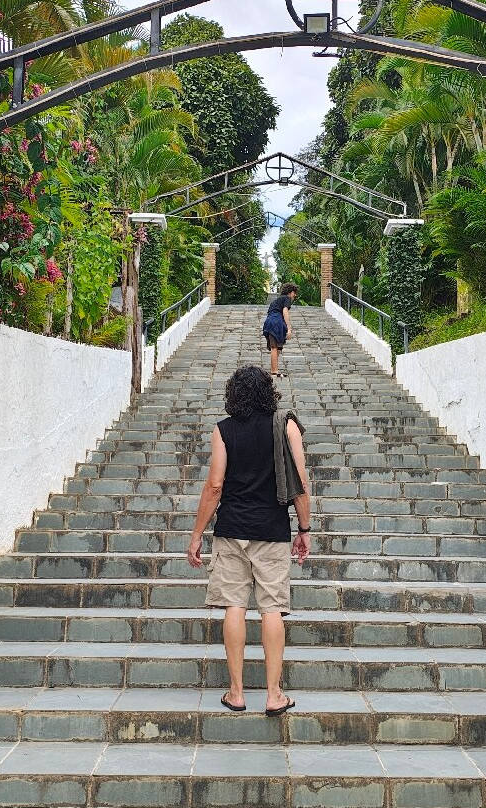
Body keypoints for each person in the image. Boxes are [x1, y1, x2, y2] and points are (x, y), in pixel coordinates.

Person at [187, 365, 311, 716]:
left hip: (231, 530)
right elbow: (300, 483)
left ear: (234, 395)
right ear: (267, 393)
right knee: (272, 609)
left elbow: (214, 486)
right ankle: (274, 695)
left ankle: (236, 692)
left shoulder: (223, 430)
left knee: (234, 607)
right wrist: (304, 530)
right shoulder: (286, 425)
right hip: (272, 531)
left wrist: (197, 534)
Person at [262, 283, 299, 378]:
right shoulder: (287, 298)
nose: (295, 295)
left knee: (276, 347)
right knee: (275, 347)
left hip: (269, 323)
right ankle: (274, 372)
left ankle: (274, 370)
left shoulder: (276, 301)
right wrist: (289, 328)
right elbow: (285, 312)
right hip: (276, 323)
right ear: (290, 292)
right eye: (294, 293)